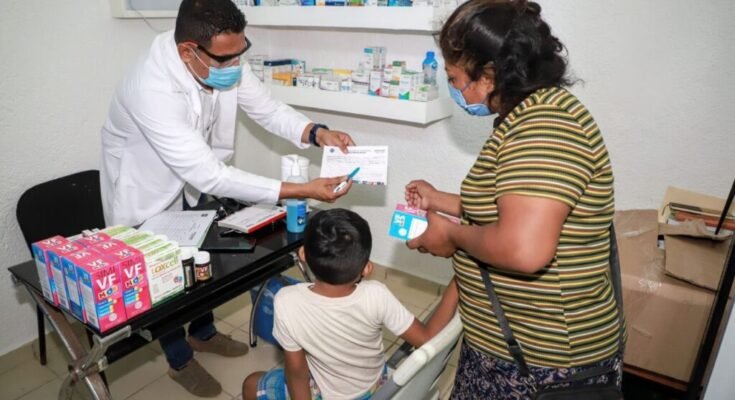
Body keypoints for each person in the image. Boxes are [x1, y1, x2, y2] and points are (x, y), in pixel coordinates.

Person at [99, 0, 356, 397]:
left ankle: (203, 333)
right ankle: (180, 360)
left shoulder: (219, 57)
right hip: (145, 187)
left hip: (194, 177)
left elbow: (267, 109)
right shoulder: (151, 87)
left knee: (202, 256)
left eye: (241, 52)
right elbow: (209, 173)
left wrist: (316, 132)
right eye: (226, 58)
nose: (236, 64)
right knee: (164, 277)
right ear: (188, 51)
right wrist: (303, 190)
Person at [403, 0, 623, 398]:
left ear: (488, 75)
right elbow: (513, 208)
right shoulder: (524, 117)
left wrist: (450, 236)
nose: (453, 89)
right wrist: (440, 200)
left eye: (454, 79)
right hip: (507, 349)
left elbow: (523, 249)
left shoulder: (547, 126)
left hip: (543, 364)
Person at [242, 208, 459, 400]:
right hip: (376, 390)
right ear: (367, 268)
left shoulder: (286, 301)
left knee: (251, 384)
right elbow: (428, 338)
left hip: (326, 394)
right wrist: (460, 277)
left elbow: (297, 372)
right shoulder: (376, 296)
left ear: (303, 255)